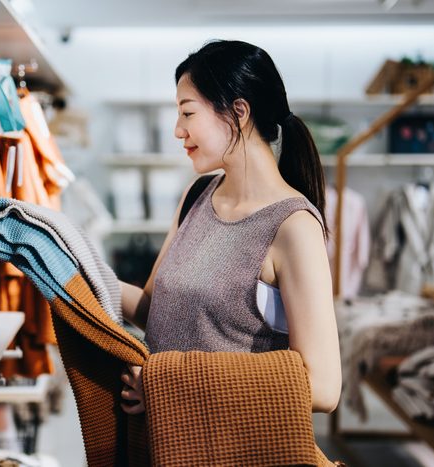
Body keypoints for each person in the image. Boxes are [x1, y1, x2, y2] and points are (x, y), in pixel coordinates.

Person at [118, 40, 341, 415]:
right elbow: (154, 309)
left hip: (229, 447)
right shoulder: (198, 195)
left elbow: (322, 387)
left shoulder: (292, 226)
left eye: (187, 113)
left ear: (239, 111)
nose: (177, 130)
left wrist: (171, 384)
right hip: (165, 441)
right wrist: (65, 265)